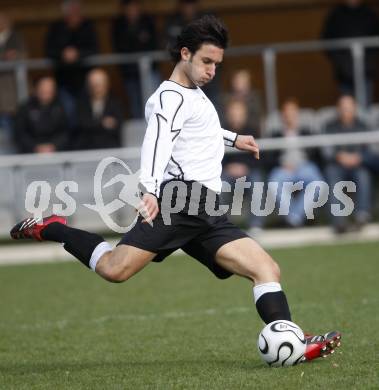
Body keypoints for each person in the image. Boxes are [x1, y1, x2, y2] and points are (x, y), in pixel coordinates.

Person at [10, 15, 340, 361]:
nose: (212, 70)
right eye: (206, 61)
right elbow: (156, 143)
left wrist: (235, 138)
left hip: (207, 210)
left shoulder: (195, 95)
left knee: (266, 269)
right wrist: (150, 189)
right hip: (180, 203)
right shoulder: (167, 97)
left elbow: (201, 133)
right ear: (185, 53)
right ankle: (53, 228)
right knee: (114, 269)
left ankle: (293, 341)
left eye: (217, 63)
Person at [267, 98, 324, 228]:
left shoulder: (307, 132)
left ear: (297, 114)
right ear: (282, 116)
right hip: (283, 168)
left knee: (318, 184)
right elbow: (268, 157)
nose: (289, 116)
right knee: (273, 184)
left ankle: (293, 218)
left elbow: (316, 153)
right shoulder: (275, 134)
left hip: (305, 167)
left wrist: (302, 164)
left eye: (292, 112)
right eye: (286, 113)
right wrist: (282, 164)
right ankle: (296, 218)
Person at [323, 95, 372, 233]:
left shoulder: (363, 126)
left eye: (349, 108)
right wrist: (339, 156)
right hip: (337, 164)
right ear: (338, 109)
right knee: (332, 175)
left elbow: (370, 151)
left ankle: (361, 216)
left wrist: (359, 157)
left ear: (355, 109)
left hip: (358, 164)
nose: (346, 111)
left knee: (363, 175)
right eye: (343, 108)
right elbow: (325, 150)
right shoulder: (330, 126)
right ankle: (339, 221)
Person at [45, 0, 98, 122]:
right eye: (72, 10)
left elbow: (94, 49)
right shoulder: (56, 27)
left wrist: (78, 54)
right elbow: (49, 50)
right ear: (66, 13)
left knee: (86, 111)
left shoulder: (88, 26)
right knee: (68, 113)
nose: (75, 13)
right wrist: (63, 54)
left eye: (77, 10)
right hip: (63, 80)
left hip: (85, 78)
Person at [321, 0, 379, 105]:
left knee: (365, 109)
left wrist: (369, 61)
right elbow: (326, 40)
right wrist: (340, 62)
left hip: (366, 71)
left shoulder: (369, 13)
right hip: (344, 73)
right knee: (347, 107)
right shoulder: (335, 14)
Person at [111, 0, 159, 119]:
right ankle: (142, 135)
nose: (132, 11)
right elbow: (120, 47)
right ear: (124, 9)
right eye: (129, 8)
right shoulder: (118, 24)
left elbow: (153, 44)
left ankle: (157, 130)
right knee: (135, 106)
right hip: (129, 73)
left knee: (154, 104)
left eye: (134, 7)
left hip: (149, 70)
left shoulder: (148, 21)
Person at [221, 98, 264, 232]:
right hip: (226, 171)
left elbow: (261, 156)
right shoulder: (221, 131)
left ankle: (256, 224)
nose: (236, 115)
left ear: (245, 114)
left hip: (249, 171)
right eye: (233, 112)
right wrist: (228, 167)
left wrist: (245, 167)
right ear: (228, 113)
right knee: (217, 185)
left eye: (239, 112)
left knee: (257, 182)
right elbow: (215, 156)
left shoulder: (254, 130)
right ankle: (220, 224)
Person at [14, 76, 69, 154]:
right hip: (30, 153)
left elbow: (64, 132)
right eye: (43, 90)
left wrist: (54, 146)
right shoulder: (25, 108)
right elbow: (20, 133)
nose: (46, 93)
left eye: (49, 91)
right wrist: (35, 147)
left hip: (56, 151)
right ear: (36, 89)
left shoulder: (60, 107)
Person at [73, 68, 124, 150]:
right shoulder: (82, 104)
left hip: (110, 149)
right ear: (88, 86)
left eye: (99, 85)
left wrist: (93, 124)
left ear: (106, 85)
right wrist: (102, 123)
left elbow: (117, 126)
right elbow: (81, 124)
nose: (97, 89)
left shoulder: (115, 103)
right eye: (94, 85)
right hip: (87, 148)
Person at [0, 12, 26, 154]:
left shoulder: (16, 38)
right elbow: (8, 56)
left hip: (12, 96)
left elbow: (20, 56)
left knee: (13, 132)